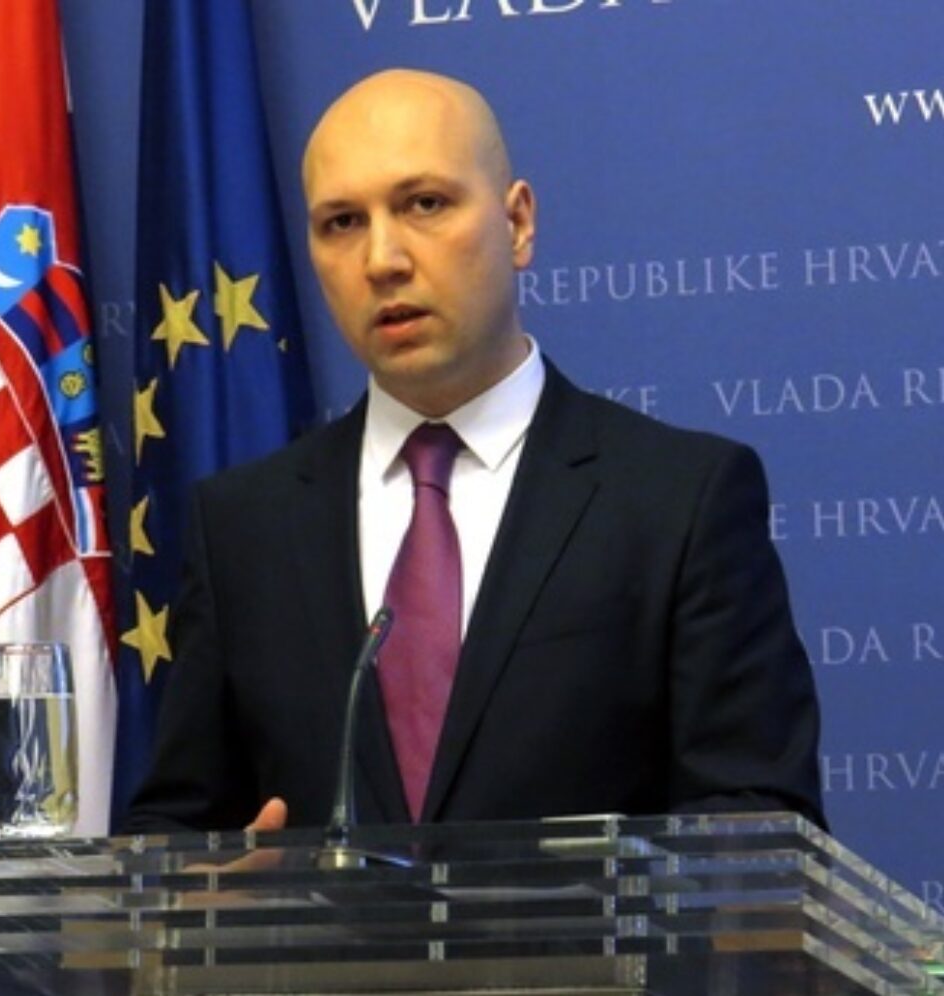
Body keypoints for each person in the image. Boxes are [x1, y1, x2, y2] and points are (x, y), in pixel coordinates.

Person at [122, 69, 824, 835]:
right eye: (342, 222)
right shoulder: (242, 526)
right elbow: (176, 828)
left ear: (517, 223)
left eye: (424, 204)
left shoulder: (678, 500)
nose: (383, 259)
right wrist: (212, 885)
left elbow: (757, 826)